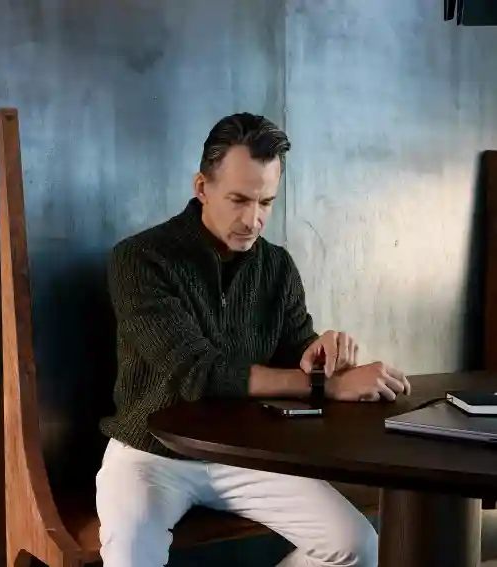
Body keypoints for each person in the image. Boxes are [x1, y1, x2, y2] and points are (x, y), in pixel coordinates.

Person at [97, 112, 411, 567]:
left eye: (266, 202)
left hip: (246, 453)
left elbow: (294, 353)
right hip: (150, 454)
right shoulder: (140, 259)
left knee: (357, 546)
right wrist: (329, 387)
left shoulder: (277, 267)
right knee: (128, 555)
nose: (253, 219)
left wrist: (316, 354)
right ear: (201, 187)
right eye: (239, 199)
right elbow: (197, 373)